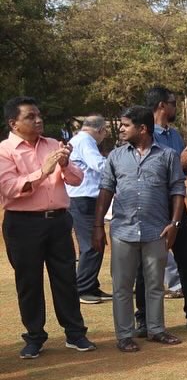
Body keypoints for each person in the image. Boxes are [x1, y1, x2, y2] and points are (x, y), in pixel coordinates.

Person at [0, 96, 95, 359]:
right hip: (23, 224)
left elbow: (77, 179)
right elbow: (9, 188)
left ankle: (75, 333)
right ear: (14, 123)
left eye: (39, 114)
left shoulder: (52, 144)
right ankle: (34, 337)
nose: (39, 120)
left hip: (58, 221)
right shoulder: (4, 151)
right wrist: (43, 171)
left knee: (65, 278)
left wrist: (64, 164)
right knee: (29, 282)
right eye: (30, 116)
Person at [92, 106, 186, 352]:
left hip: (157, 229)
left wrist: (174, 224)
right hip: (123, 230)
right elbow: (106, 190)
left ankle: (156, 329)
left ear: (142, 128)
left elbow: (178, 190)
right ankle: (124, 334)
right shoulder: (116, 156)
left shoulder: (167, 155)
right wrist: (98, 225)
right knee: (122, 285)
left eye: (125, 125)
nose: (120, 129)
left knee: (155, 284)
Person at [134, 86, 187, 334]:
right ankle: (144, 319)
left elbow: (180, 173)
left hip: (176, 207)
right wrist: (182, 163)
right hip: (152, 209)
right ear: (161, 106)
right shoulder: (143, 135)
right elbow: (148, 171)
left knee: (186, 264)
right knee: (146, 267)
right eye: (173, 103)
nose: (175, 107)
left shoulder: (175, 136)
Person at [66, 114, 110, 305]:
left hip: (82, 197)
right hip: (82, 198)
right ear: (100, 130)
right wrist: (120, 165)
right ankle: (83, 288)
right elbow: (98, 164)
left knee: (96, 243)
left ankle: (90, 285)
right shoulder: (86, 141)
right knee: (92, 245)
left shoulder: (79, 139)